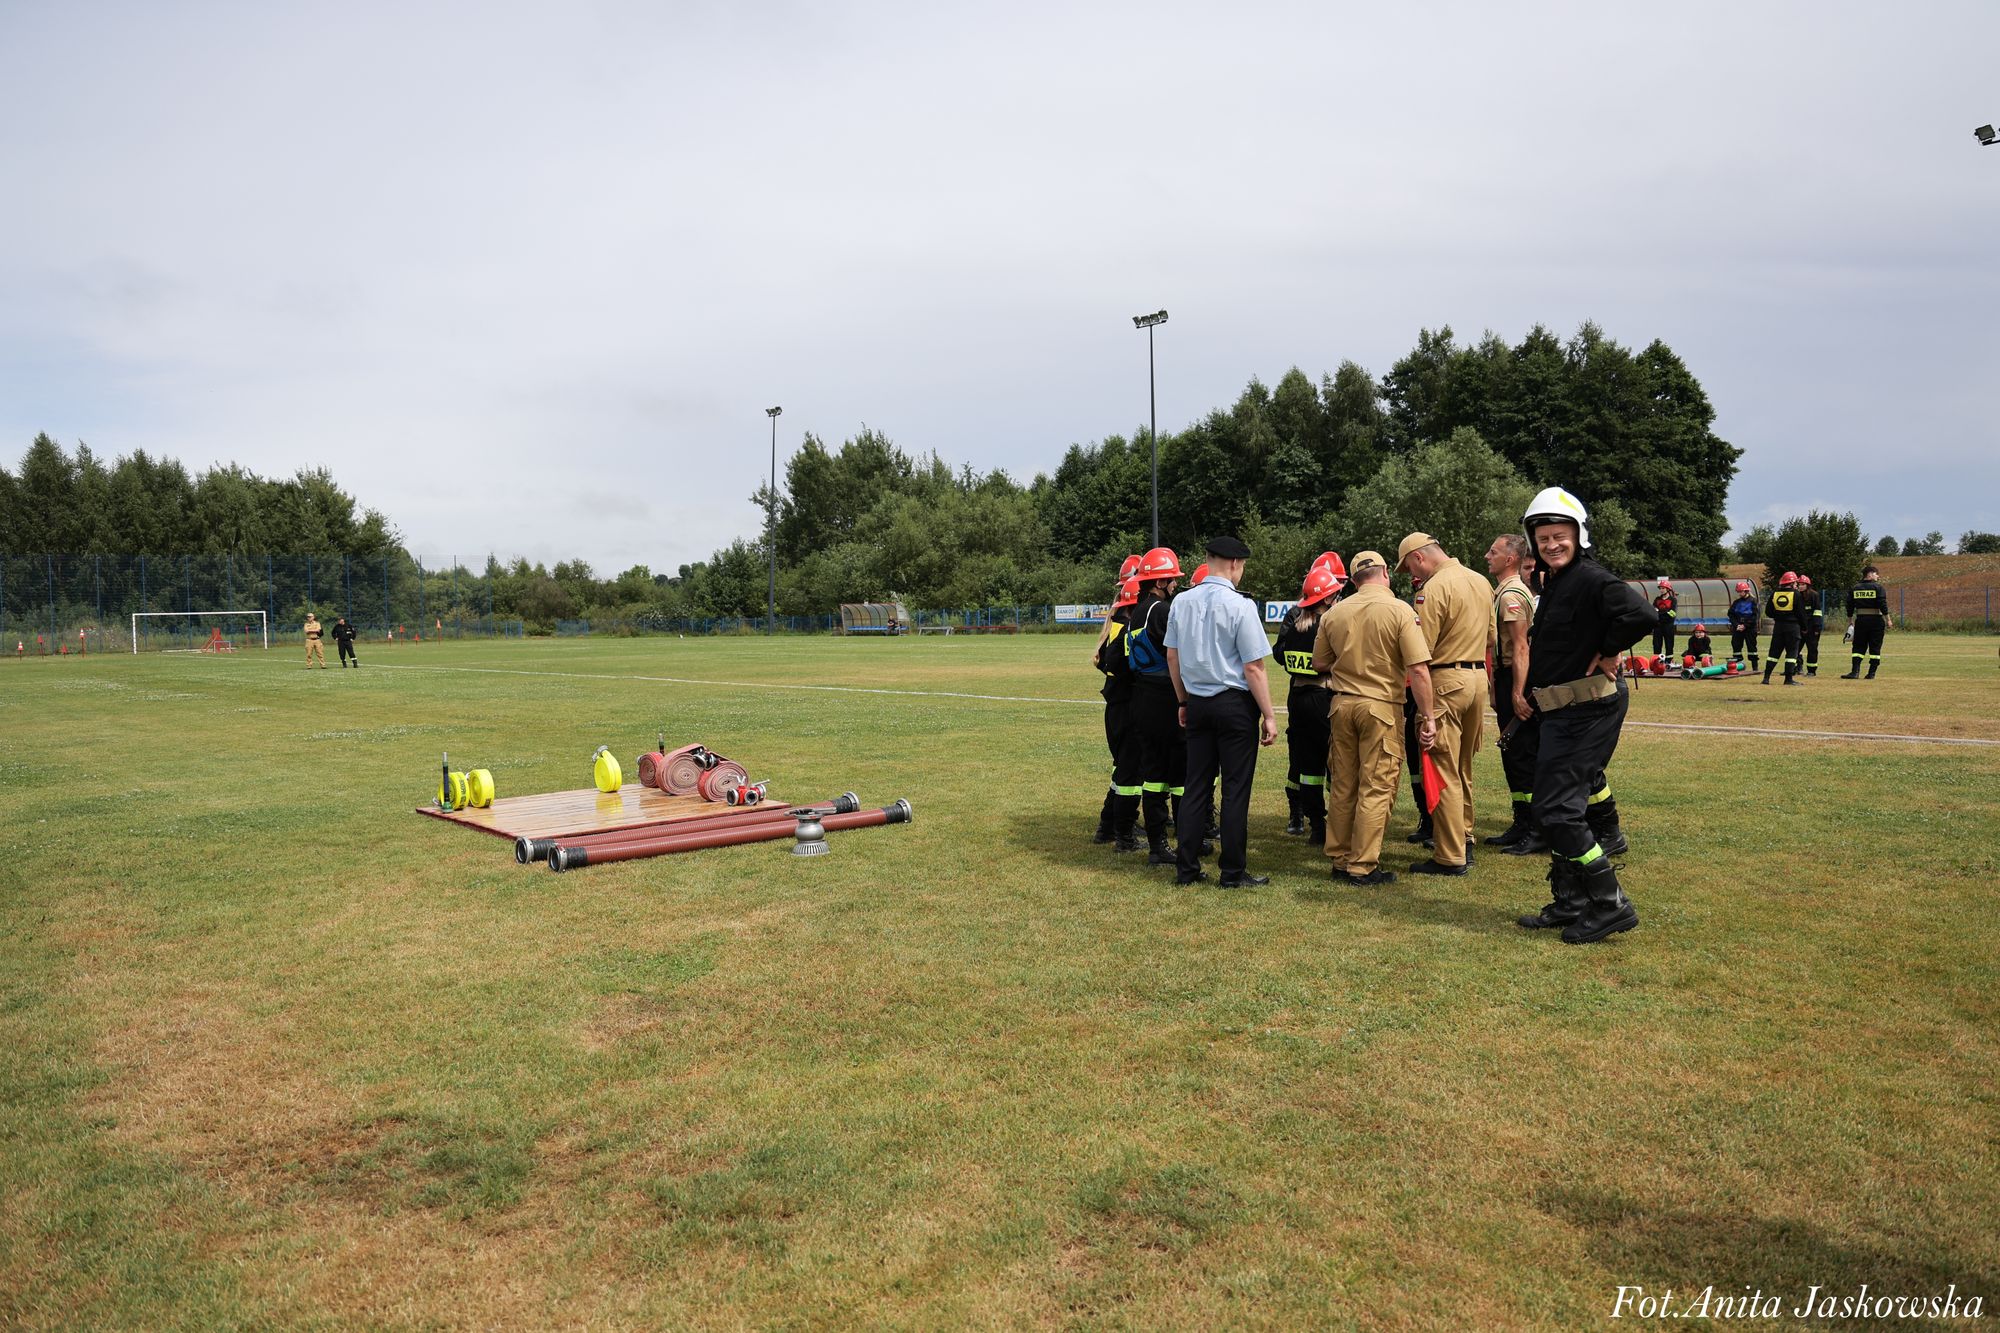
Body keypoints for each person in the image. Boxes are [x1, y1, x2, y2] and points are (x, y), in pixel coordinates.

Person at [1511, 487, 1654, 943]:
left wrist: (1609, 648)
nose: (1552, 544)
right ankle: (1571, 901)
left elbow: (1641, 614)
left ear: (1579, 534)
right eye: (1544, 537)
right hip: (1561, 709)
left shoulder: (1591, 578)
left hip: (1587, 709)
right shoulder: (1555, 582)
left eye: (1560, 535)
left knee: (1555, 810)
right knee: (1558, 806)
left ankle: (1610, 902)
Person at [1314, 551, 1437, 887]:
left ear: (1353, 580)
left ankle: (1340, 858)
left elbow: (1319, 663)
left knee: (1342, 785)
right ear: (1385, 573)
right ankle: (1363, 865)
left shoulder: (1335, 612)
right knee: (1376, 786)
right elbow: (1419, 670)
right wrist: (1428, 717)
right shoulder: (1400, 610)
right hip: (1381, 707)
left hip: (1341, 705)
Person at [1164, 536, 1278, 887]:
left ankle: (1186, 868)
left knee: (1196, 786)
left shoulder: (1181, 601)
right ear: (1234, 564)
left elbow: (1172, 656)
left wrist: (1183, 700)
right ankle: (1232, 872)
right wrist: (1270, 715)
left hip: (1197, 703)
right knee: (1235, 789)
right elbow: (1254, 667)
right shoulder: (1240, 605)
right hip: (1234, 706)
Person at [1396, 533, 1494, 876]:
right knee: (1463, 766)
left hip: (1445, 682)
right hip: (1477, 678)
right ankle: (1463, 837)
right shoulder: (1482, 581)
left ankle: (1450, 855)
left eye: (1409, 564)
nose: (1411, 572)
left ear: (1419, 558)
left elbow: (1420, 650)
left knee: (1442, 768)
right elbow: (1491, 639)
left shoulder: (1431, 590)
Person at [1127, 547, 1187, 865]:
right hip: (1165, 697)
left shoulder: (1137, 611)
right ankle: (1182, 840)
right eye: (1172, 579)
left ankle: (1156, 844)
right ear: (1160, 581)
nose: (1176, 584)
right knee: (1179, 773)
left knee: (1153, 773)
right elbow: (1176, 654)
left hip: (1142, 696)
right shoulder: (1161, 611)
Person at [1275, 561, 1343, 844]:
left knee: (1309, 769)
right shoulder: (1327, 628)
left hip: (1298, 702)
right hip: (1322, 700)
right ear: (1326, 598)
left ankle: (1316, 826)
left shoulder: (1294, 628)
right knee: (1336, 764)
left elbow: (1281, 657)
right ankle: (1338, 825)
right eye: (1336, 594)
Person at [1484, 534, 1537, 849]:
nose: (1487, 556)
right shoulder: (1503, 591)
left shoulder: (1512, 594)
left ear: (1510, 559)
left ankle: (1533, 827)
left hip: (1515, 678)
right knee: (1512, 754)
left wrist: (1517, 693)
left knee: (1522, 754)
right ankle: (1522, 822)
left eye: (1493, 552)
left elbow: (1520, 646)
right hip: (1505, 678)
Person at [1093, 567, 1142, 848]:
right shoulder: (1126, 629)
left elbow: (1101, 660)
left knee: (1124, 768)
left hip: (1117, 704)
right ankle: (1119, 831)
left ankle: (1109, 825)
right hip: (1126, 705)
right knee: (1129, 771)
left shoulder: (1116, 625)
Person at [1843, 564, 1892, 678]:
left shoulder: (1855, 588)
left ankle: (1855, 672)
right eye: (1876, 574)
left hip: (1861, 621)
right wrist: (1888, 619)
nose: (1878, 576)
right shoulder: (1878, 588)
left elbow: (1849, 605)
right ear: (1869, 574)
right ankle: (1871, 673)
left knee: (1858, 647)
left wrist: (1850, 620)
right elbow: (1882, 605)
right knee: (1875, 646)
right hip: (1876, 621)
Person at [1762, 571, 1807, 686]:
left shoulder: (1775, 594)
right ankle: (1788, 679)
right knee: (1792, 653)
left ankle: (1766, 678)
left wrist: (1778, 616)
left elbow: (1768, 612)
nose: (1797, 585)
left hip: (1778, 627)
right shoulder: (1796, 595)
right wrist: (1804, 627)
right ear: (1792, 584)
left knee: (1773, 653)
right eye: (1796, 583)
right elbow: (1801, 613)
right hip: (1793, 627)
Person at [1727, 580, 1759, 670]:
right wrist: (1737, 625)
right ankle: (1737, 666)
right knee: (1736, 645)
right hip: (1737, 628)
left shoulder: (1753, 601)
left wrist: (1745, 625)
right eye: (1739, 592)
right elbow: (1730, 614)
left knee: (1751, 646)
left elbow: (1754, 616)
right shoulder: (1736, 602)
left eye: (1741, 591)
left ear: (1746, 591)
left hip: (1750, 628)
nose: (1739, 593)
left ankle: (1755, 667)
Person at [1797, 575, 1824, 676]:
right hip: (1799, 627)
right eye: (1799, 584)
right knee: (1795, 648)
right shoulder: (1796, 595)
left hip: (1812, 627)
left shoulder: (1814, 595)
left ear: (1807, 585)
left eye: (1803, 584)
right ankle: (1796, 667)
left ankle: (1811, 670)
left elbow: (1817, 612)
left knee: (1812, 649)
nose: (1801, 586)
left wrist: (1817, 627)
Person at [1650, 577, 1679, 658]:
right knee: (1656, 643)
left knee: (1669, 643)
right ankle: (1656, 660)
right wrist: (1665, 612)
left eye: (1663, 588)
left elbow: (1672, 613)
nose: (1661, 590)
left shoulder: (1673, 600)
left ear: (1668, 589)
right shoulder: (1657, 599)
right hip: (1658, 625)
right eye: (1660, 588)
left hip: (1668, 625)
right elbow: (1653, 610)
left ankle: (1669, 660)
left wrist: (1659, 613)